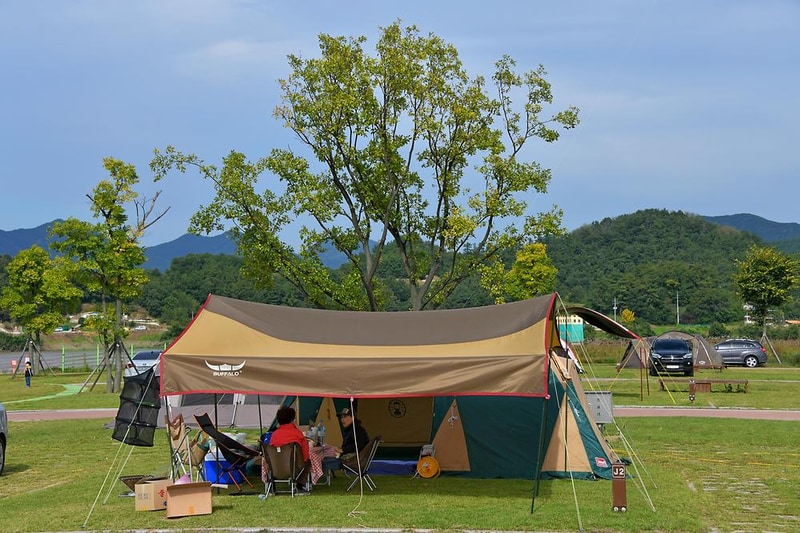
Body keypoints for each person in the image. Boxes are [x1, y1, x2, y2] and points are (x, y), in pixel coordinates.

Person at [266, 406, 312, 492]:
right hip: (296, 466)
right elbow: (305, 454)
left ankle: (272, 485)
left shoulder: (275, 435)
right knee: (308, 463)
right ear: (292, 419)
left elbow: (271, 452)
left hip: (277, 466)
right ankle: (300, 484)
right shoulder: (297, 433)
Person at [322, 407, 369, 473]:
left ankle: (309, 482)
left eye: (345, 417)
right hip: (351, 458)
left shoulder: (357, 430)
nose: (342, 420)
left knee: (322, 463)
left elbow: (358, 446)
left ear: (352, 418)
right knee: (325, 458)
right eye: (341, 417)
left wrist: (342, 450)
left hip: (352, 461)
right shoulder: (351, 429)